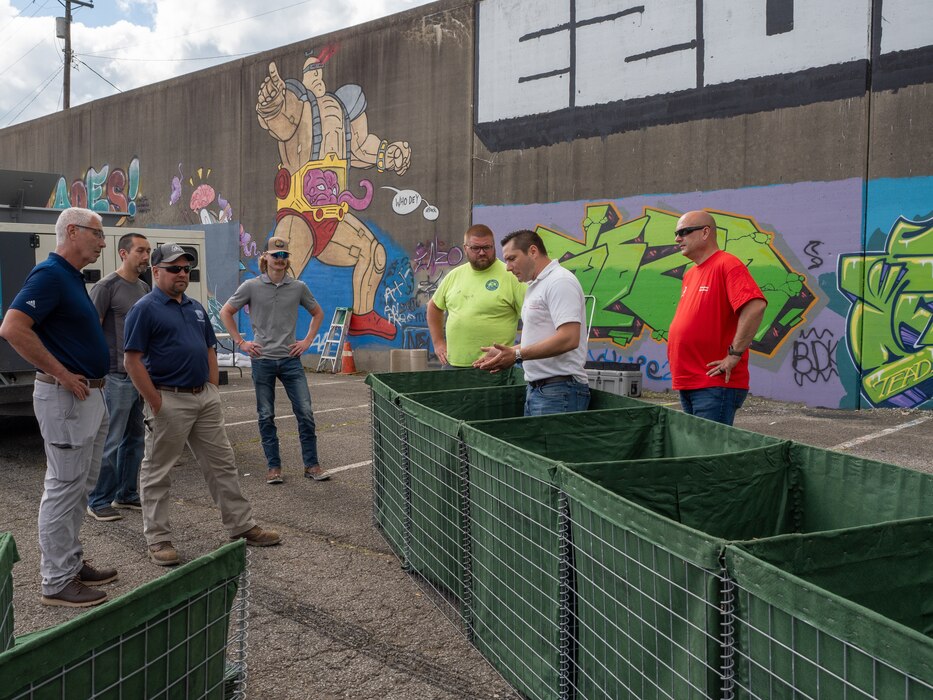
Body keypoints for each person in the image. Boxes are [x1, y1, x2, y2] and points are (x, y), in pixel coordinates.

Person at [124, 243, 281, 566]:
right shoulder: (145, 309)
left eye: (186, 269)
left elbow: (210, 347)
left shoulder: (195, 307)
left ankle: (241, 526)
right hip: (169, 399)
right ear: (156, 272)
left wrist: (210, 387)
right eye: (174, 269)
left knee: (222, 464)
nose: (182, 274)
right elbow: (132, 360)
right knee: (158, 471)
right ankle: (159, 539)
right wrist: (155, 401)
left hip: (203, 398)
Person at [0, 208, 117, 607]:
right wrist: (63, 373)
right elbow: (13, 327)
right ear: (72, 231)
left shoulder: (70, 277)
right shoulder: (50, 275)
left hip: (87, 398)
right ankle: (56, 581)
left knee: (79, 486)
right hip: (67, 398)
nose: (104, 243)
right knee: (63, 487)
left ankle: (70, 561)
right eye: (98, 234)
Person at [256, 49, 412, 341]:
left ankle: (363, 316)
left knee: (374, 253)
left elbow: (363, 147)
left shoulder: (341, 108)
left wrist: (388, 155)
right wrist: (272, 102)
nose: (317, 73)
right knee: (281, 278)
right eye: (311, 69)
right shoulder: (298, 106)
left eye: (319, 67)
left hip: (333, 217)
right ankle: (266, 340)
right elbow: (281, 120)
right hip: (299, 215)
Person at [220, 236, 329, 484]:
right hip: (262, 360)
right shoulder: (251, 286)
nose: (280, 260)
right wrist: (241, 342)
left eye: (284, 256)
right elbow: (226, 311)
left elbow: (318, 313)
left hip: (290, 359)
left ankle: (312, 465)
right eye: (275, 255)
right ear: (265, 258)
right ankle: (274, 468)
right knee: (265, 415)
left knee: (305, 413)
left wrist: (307, 341)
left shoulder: (298, 287)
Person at [474, 229, 590, 415]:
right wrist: (508, 352)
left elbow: (569, 338)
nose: (508, 267)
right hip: (541, 390)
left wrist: (517, 355)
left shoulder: (560, 282)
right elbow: (543, 338)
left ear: (533, 251)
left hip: (559, 391)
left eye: (512, 258)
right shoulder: (535, 285)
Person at [667, 210, 768, 425]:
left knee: (709, 454)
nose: (677, 238)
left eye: (684, 232)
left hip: (714, 383)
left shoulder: (727, 264)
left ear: (705, 232)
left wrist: (734, 355)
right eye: (676, 233)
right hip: (690, 381)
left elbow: (755, 306)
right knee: (698, 449)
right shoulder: (690, 274)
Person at [86, 233, 152, 521]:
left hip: (140, 376)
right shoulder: (106, 287)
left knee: (135, 439)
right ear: (123, 253)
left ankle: (125, 494)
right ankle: (98, 499)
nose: (146, 256)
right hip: (115, 376)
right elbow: (90, 330)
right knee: (111, 440)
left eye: (149, 251)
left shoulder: (143, 288)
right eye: (141, 250)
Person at [427, 224, 525, 368]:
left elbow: (535, 317)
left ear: (494, 247)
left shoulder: (511, 276)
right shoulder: (455, 275)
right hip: (452, 365)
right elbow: (434, 306)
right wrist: (438, 343)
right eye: (475, 248)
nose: (481, 253)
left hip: (494, 367)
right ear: (465, 248)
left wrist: (518, 351)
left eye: (487, 247)